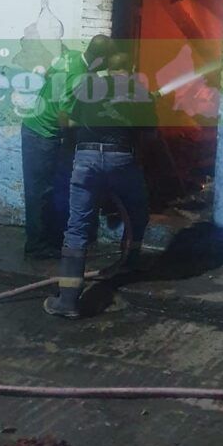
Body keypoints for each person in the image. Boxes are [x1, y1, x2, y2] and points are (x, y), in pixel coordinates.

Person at [44, 47, 157, 318]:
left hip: (86, 159)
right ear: (131, 69)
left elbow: (69, 120)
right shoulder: (138, 90)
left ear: (108, 68)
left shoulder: (88, 86)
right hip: (121, 160)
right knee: (137, 211)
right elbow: (150, 132)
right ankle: (129, 261)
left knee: (77, 226)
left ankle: (67, 301)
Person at [20, 35, 112, 260]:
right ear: (99, 59)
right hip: (42, 135)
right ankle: (36, 247)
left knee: (45, 190)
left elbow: (49, 74)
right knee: (40, 192)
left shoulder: (70, 56)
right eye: (107, 60)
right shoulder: (79, 78)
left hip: (35, 127)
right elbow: (64, 118)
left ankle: (45, 239)